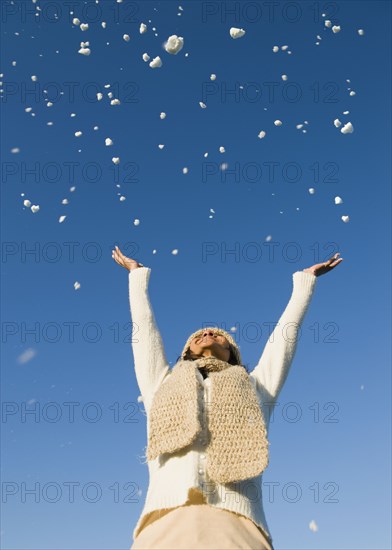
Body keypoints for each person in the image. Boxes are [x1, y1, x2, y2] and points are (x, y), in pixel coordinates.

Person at [112, 246, 344, 550]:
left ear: (233, 353)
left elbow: (284, 340)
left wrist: (304, 283)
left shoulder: (255, 387)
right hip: (166, 521)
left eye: (218, 334)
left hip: (237, 522)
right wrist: (137, 276)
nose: (208, 332)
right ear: (186, 353)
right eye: (199, 335)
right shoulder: (163, 383)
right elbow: (144, 335)